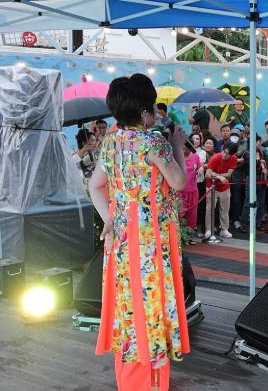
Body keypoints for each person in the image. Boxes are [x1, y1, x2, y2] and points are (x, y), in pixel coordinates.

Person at [88, 73, 189, 391]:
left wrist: (109, 218)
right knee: (153, 303)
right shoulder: (154, 142)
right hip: (151, 240)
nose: (156, 113)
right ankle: (152, 381)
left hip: (122, 239)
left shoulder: (110, 142)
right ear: (144, 112)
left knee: (128, 307)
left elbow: (95, 186)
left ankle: (132, 380)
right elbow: (179, 182)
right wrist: (177, 146)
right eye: (153, 107)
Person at [205, 143, 239, 240]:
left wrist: (215, 175)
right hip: (211, 187)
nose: (224, 155)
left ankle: (224, 229)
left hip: (225, 187)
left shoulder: (234, 159)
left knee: (225, 210)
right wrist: (219, 177)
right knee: (210, 209)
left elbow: (229, 174)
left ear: (232, 154)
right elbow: (207, 174)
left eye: (227, 154)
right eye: (224, 152)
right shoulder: (215, 158)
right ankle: (208, 229)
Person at [179, 145, 200, 235]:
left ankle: (189, 234)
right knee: (180, 213)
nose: (184, 151)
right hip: (180, 191)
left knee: (192, 214)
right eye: (182, 149)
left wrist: (201, 169)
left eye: (186, 149)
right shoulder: (177, 156)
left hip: (192, 190)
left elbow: (200, 166)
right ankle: (179, 234)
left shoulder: (195, 156)